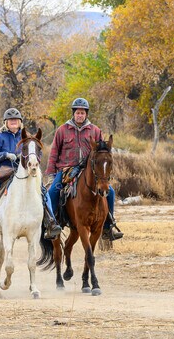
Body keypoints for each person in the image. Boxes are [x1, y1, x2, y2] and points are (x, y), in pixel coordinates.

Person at [0, 108, 62, 239]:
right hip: (2, 171)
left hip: (23, 171)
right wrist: (5, 155)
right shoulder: (0, 137)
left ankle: (51, 221)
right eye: (10, 120)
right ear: (6, 122)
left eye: (16, 120)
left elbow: (35, 151)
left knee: (43, 190)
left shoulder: (25, 137)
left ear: (20, 122)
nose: (13, 122)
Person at [45, 98, 123, 241]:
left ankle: (108, 226)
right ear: (73, 113)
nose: (80, 115)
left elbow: (103, 152)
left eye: (82, 113)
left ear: (86, 114)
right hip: (66, 169)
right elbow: (54, 153)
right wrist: (51, 174)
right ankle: (51, 224)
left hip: (90, 170)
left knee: (110, 192)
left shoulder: (95, 130)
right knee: (53, 191)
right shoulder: (62, 130)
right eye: (77, 112)